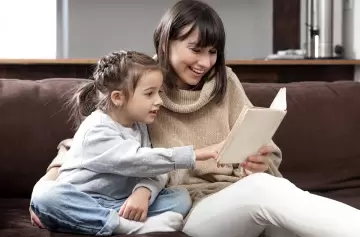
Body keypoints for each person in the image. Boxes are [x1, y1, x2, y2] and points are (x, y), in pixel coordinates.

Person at [31, 0, 360, 237]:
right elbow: (88, 144)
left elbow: (266, 149)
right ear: (166, 41)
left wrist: (262, 161)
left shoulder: (225, 81)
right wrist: (46, 189)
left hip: (245, 194)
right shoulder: (143, 87)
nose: (205, 62)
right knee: (266, 193)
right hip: (193, 209)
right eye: (195, 49)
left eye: (212, 52)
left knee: (284, 213)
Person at [30, 50, 223, 235]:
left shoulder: (140, 126)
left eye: (159, 93)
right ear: (118, 97)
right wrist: (194, 154)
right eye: (150, 94)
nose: (159, 101)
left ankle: (116, 218)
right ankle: (122, 226)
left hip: (119, 202)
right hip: (82, 201)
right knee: (45, 198)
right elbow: (136, 159)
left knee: (180, 198)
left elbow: (157, 169)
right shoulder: (96, 129)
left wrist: (143, 191)